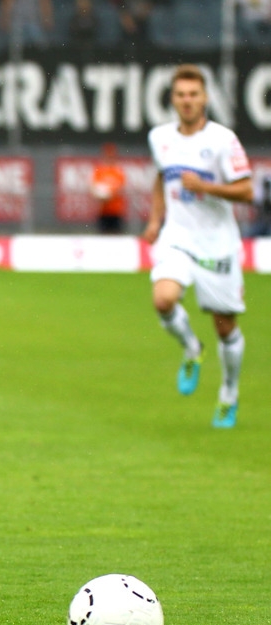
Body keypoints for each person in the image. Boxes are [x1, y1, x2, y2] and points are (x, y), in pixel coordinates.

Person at [141, 64, 253, 429]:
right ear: (172, 99)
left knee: (225, 327)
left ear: (205, 98)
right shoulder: (160, 137)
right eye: (180, 95)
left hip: (217, 245)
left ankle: (229, 394)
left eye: (193, 95)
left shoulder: (223, 140)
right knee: (164, 299)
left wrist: (207, 187)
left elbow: (247, 191)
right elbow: (162, 178)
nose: (187, 101)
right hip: (178, 238)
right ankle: (191, 347)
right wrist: (157, 220)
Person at [90, 142, 127, 234]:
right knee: (103, 236)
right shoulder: (99, 171)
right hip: (103, 211)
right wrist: (101, 195)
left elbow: (121, 189)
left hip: (116, 211)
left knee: (116, 236)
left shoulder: (118, 171)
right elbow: (93, 188)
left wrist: (110, 195)